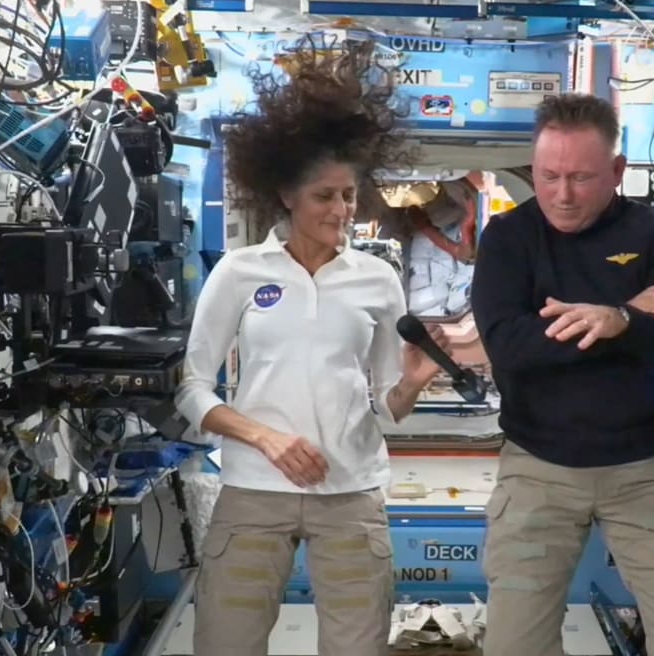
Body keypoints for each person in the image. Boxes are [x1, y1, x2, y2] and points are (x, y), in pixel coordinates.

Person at [174, 40, 450, 656]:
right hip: (253, 489)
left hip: (350, 492)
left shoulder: (377, 279)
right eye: (325, 196)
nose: (341, 210)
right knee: (225, 644)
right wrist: (266, 438)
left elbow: (385, 405)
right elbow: (193, 390)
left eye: (349, 195)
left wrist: (411, 383)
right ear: (287, 196)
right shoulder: (240, 273)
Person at [470, 93, 654, 656]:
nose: (562, 195)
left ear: (616, 172)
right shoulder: (509, 238)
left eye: (581, 178)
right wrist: (627, 318)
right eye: (548, 176)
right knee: (514, 645)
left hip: (643, 471)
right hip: (538, 469)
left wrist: (621, 320)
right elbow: (508, 348)